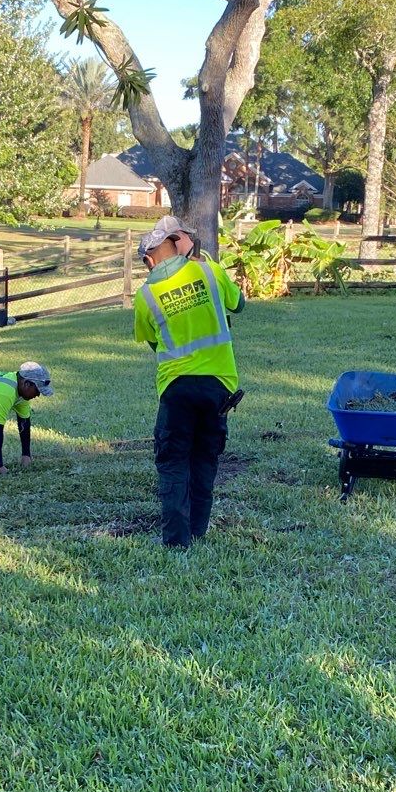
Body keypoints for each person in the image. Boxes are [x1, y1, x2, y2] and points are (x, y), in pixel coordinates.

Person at [133, 215, 244, 549]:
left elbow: (153, 342)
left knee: (173, 461)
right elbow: (238, 305)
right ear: (177, 244)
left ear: (150, 260)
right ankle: (198, 529)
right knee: (205, 458)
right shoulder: (210, 271)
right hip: (219, 386)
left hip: (176, 387)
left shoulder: (146, 295)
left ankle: (176, 541)